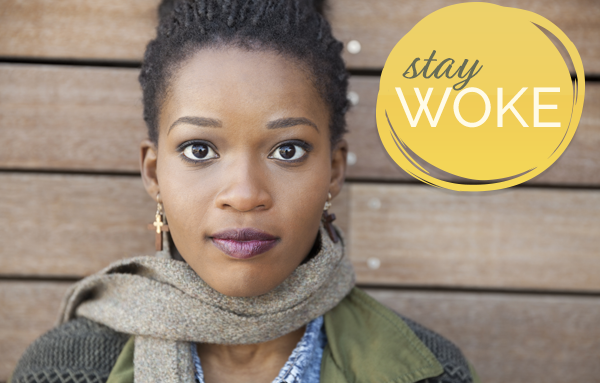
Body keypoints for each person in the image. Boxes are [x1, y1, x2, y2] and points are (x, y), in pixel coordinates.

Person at [10, 0, 481, 382]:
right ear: (154, 174)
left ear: (334, 170)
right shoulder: (66, 370)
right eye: (199, 150)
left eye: (289, 150)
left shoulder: (434, 372)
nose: (244, 194)